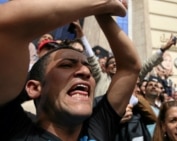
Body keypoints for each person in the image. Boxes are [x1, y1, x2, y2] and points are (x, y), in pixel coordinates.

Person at [0, 1, 142, 140]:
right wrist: (103, 3)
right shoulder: (13, 128)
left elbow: (130, 66)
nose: (86, 72)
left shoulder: (97, 127)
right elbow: (5, 25)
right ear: (34, 87)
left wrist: (102, 14)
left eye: (89, 68)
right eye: (67, 65)